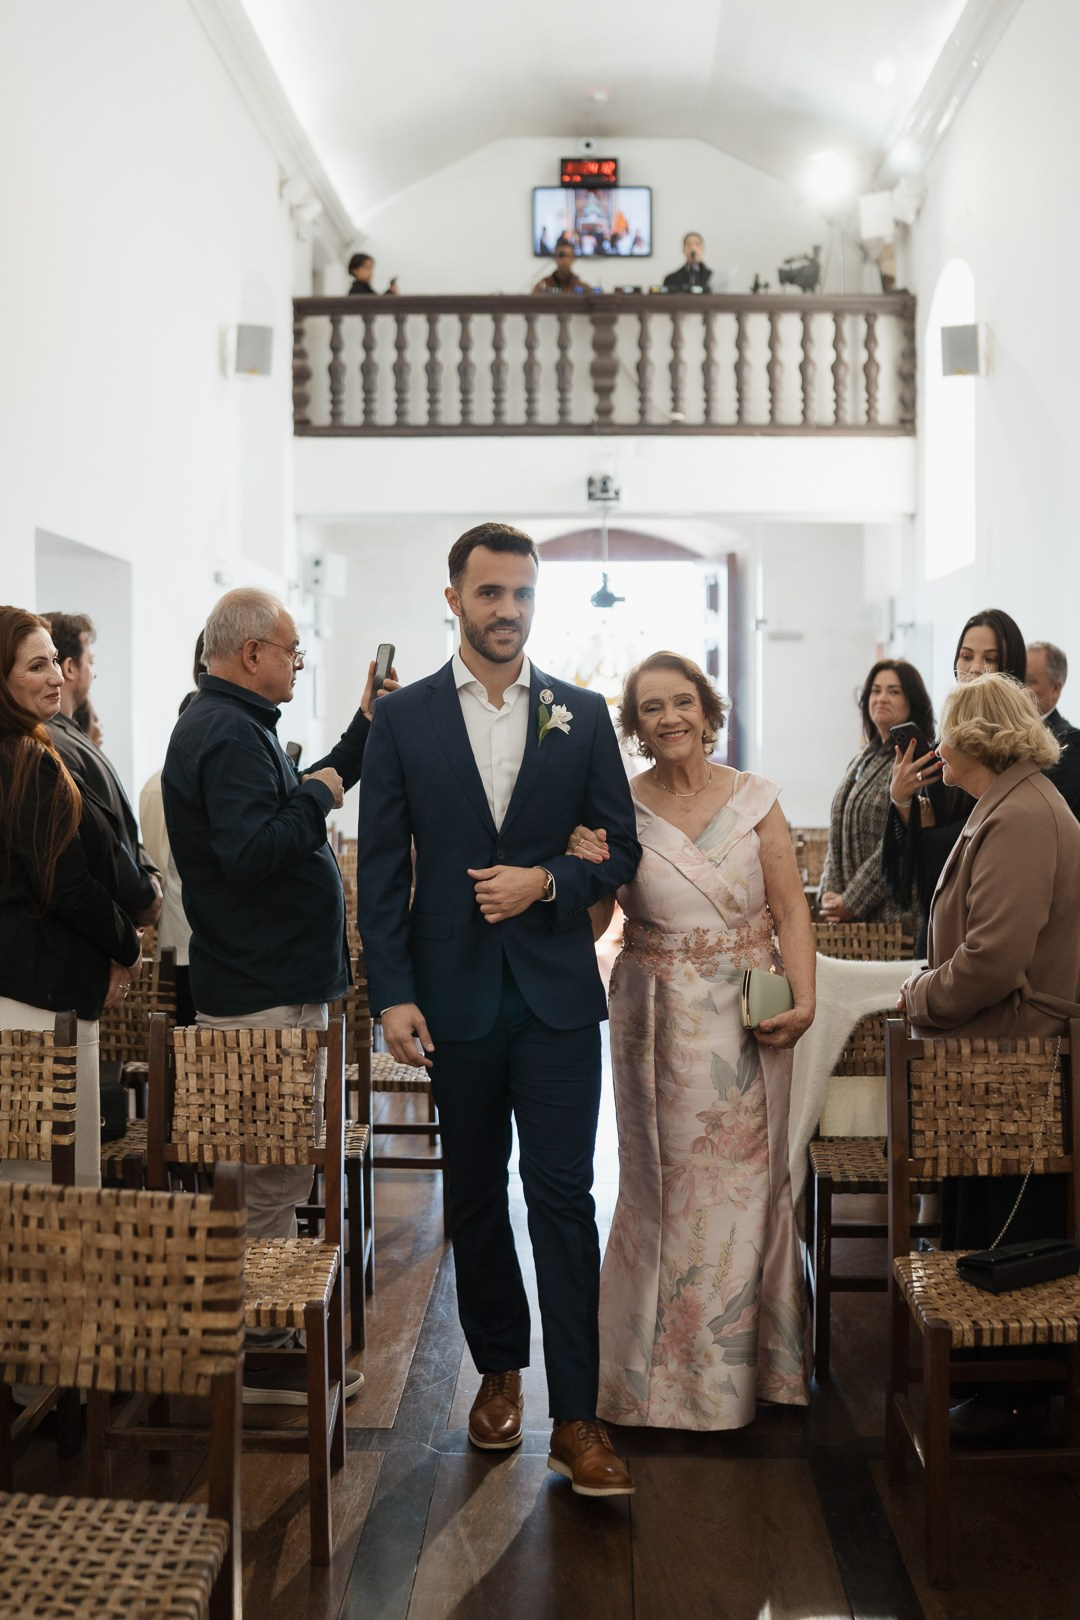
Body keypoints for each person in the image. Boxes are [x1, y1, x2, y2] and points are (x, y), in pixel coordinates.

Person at [356, 522, 641, 1495]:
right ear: (455, 600)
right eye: (490, 593)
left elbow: (622, 854)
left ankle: (579, 1417)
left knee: (564, 1200)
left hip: (559, 996)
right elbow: (383, 868)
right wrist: (391, 991)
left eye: (521, 593)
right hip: (453, 996)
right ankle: (500, 1375)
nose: (507, 610)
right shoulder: (403, 721)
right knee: (475, 1196)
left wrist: (547, 883)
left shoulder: (583, 714)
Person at [162, 588, 393, 1404]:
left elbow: (294, 808)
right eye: (291, 650)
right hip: (261, 989)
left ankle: (262, 1340)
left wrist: (359, 735)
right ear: (251, 651)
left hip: (276, 980)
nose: (297, 663)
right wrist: (321, 795)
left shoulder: (236, 724)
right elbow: (253, 852)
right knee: (261, 1173)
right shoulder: (225, 734)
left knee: (280, 1169)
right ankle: (252, 1360)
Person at [591, 651, 815, 1431]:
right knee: (659, 1190)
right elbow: (596, 924)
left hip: (752, 1017)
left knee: (753, 1190)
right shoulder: (617, 806)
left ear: (708, 711)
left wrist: (808, 998)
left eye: (681, 701)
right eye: (650, 708)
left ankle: (758, 1379)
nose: (669, 717)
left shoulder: (758, 800)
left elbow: (790, 909)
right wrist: (584, 870)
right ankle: (645, 1382)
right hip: (653, 1018)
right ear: (635, 727)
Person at [899, 673, 1080, 1442]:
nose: (939, 744)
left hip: (1022, 1054)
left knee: (1011, 1230)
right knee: (984, 1219)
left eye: (947, 729)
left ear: (975, 738)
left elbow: (995, 957)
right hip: (1000, 1050)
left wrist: (919, 997)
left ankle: (1014, 1398)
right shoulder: (1005, 805)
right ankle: (992, 1387)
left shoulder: (1023, 816)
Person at [0, 606, 142, 1187]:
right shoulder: (28, 761)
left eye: (57, 661)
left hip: (19, 994)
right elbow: (67, 885)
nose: (58, 676)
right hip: (39, 1001)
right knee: (60, 1193)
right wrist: (127, 944)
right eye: (37, 666)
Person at [884, 608, 1027, 953]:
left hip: (988, 934)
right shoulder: (942, 749)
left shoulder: (1023, 751)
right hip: (936, 930)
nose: (974, 668)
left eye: (989, 659)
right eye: (966, 656)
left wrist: (933, 833)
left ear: (1012, 669)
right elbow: (912, 868)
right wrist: (902, 801)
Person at [43, 610, 161, 927]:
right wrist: (141, 894)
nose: (94, 674)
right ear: (71, 667)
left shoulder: (71, 736)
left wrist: (148, 875)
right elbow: (92, 843)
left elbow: (118, 824)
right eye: (91, 662)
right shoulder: (53, 744)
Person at [819, 659, 934, 927]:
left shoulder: (916, 761)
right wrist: (829, 893)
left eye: (894, 691)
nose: (882, 698)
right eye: (875, 690)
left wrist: (852, 902)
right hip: (852, 922)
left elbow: (902, 840)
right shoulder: (863, 759)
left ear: (912, 702)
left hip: (893, 922)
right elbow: (836, 833)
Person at [1026, 639, 1080, 819]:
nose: (1020, 689)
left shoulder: (1070, 743)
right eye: (1017, 679)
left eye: (1030, 681)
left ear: (1055, 688)